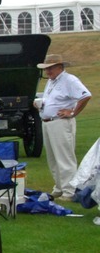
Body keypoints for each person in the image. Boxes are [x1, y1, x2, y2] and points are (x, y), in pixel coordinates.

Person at [37, 54, 91, 199]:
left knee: (64, 158)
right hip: (48, 122)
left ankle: (69, 190)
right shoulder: (52, 81)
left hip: (60, 122)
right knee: (53, 158)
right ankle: (59, 187)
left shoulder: (70, 80)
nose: (47, 72)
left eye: (50, 68)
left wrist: (73, 112)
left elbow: (85, 95)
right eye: (46, 69)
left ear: (60, 67)